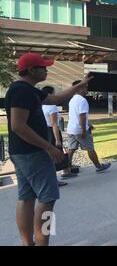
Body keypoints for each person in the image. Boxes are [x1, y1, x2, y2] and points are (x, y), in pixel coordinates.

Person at [5, 52, 92, 246]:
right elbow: (18, 126)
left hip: (22, 153)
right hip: (32, 153)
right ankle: (42, 242)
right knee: (48, 198)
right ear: (31, 70)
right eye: (43, 67)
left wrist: (78, 86)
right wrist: (49, 147)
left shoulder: (29, 90)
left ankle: (29, 243)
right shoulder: (22, 91)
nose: (46, 70)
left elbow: (55, 99)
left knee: (26, 197)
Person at [65, 80, 111, 177]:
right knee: (90, 148)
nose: (87, 89)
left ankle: (66, 170)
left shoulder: (72, 99)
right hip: (79, 130)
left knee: (71, 149)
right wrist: (83, 130)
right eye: (85, 87)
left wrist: (88, 124)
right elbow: (82, 116)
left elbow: (74, 115)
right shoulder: (82, 100)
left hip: (71, 129)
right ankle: (98, 167)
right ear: (80, 88)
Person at [41, 86, 68, 187]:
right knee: (54, 155)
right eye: (54, 93)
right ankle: (54, 180)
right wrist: (57, 140)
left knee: (48, 156)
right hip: (51, 132)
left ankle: (64, 171)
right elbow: (54, 124)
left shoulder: (42, 105)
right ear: (50, 94)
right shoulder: (52, 106)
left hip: (44, 132)